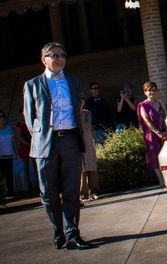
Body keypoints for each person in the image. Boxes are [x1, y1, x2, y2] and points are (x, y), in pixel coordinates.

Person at [23, 42, 93, 250]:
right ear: (43, 59)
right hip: (46, 143)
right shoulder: (32, 85)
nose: (59, 58)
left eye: (62, 54)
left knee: (72, 191)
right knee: (48, 193)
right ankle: (58, 230)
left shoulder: (73, 81)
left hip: (70, 140)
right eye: (53, 55)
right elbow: (30, 118)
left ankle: (72, 234)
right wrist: (41, 138)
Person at [137, 82, 167, 186]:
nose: (152, 92)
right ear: (145, 92)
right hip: (151, 135)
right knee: (155, 156)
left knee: (165, 156)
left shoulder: (160, 103)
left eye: (154, 90)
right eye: (149, 90)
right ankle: (161, 180)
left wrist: (166, 131)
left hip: (164, 133)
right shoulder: (143, 105)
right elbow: (146, 121)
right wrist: (157, 132)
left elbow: (165, 117)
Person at [79, 98, 99, 202]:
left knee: (91, 165)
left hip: (88, 140)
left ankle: (94, 191)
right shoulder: (72, 114)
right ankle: (83, 194)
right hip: (78, 142)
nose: (81, 101)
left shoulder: (87, 113)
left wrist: (94, 139)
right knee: (81, 168)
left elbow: (89, 126)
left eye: (82, 99)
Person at [15, 112, 37, 193]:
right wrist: (27, 144)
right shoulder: (19, 125)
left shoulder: (30, 121)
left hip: (33, 145)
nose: (22, 115)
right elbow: (18, 137)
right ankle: (28, 185)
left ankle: (38, 183)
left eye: (24, 114)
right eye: (21, 114)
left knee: (36, 166)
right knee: (26, 167)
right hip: (25, 146)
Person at [0, 110, 16, 197]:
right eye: (0, 117)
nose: (1, 119)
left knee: (9, 174)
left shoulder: (9, 128)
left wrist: (15, 151)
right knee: (2, 176)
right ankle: (3, 193)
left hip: (9, 154)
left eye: (3, 116)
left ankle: (11, 191)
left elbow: (13, 140)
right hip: (1, 156)